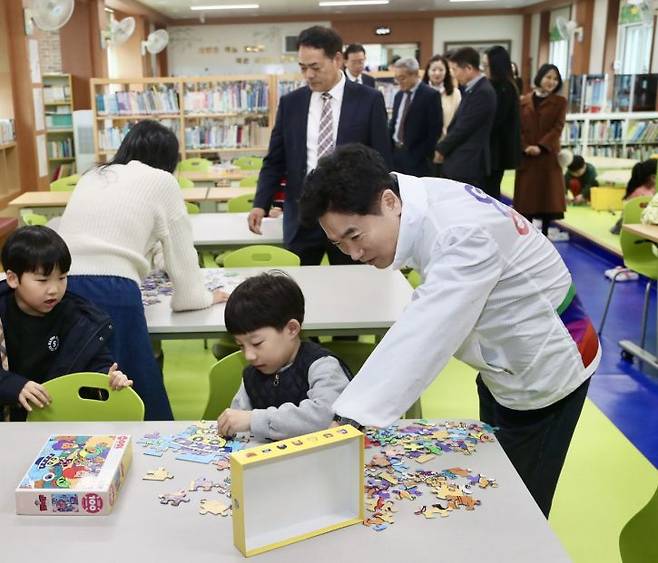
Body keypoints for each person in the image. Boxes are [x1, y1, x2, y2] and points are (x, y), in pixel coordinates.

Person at [299, 143, 600, 518]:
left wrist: (348, 421)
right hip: (505, 357)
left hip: (550, 365)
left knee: (522, 509)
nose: (352, 254)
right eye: (338, 244)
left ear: (389, 201)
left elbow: (425, 332)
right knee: (496, 475)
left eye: (355, 236)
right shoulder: (420, 198)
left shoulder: (460, 232)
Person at [57, 120, 227, 421]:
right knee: (136, 392)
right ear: (169, 159)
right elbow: (184, 270)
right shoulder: (162, 181)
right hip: (113, 290)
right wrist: (205, 297)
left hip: (58, 286)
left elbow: (139, 239)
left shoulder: (93, 176)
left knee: (80, 387)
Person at [248, 25, 392, 265]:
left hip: (351, 217)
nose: (309, 75)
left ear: (337, 59)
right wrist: (260, 204)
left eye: (315, 67)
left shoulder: (368, 100)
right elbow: (275, 160)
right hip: (302, 216)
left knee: (351, 286)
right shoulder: (291, 104)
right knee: (299, 287)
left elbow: (381, 160)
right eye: (303, 68)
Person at [0, 226, 133, 421]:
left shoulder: (78, 319)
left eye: (62, 278)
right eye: (42, 280)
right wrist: (13, 386)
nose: (54, 289)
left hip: (59, 422)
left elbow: (97, 364)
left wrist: (109, 377)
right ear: (12, 279)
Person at [216, 272, 352, 440]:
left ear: (291, 329)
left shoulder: (322, 365)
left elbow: (326, 417)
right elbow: (239, 425)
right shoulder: (251, 376)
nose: (249, 355)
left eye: (257, 343)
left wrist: (254, 419)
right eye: (241, 346)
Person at [513, 64, 567, 236]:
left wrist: (541, 146)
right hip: (527, 157)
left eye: (555, 79)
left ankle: (544, 238)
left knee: (546, 201)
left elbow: (557, 128)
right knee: (525, 203)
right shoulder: (523, 101)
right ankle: (526, 239)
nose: (551, 81)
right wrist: (525, 146)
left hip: (547, 157)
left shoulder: (560, 102)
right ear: (540, 77)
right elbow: (516, 127)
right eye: (548, 77)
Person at [435, 47, 496, 188]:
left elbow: (464, 127)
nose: (453, 74)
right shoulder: (473, 89)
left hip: (469, 163)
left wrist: (441, 148)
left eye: (455, 69)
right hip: (461, 161)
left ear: (468, 68)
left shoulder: (483, 92)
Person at [389, 57, 442, 177]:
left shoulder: (430, 95)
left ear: (415, 74)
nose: (399, 82)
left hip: (418, 159)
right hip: (396, 155)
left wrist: (420, 154)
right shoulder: (398, 96)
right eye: (396, 78)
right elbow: (394, 123)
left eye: (402, 78)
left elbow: (435, 131)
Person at [481, 45, 521, 200]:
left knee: (490, 191)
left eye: (486, 66)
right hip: (494, 149)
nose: (484, 69)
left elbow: (496, 120)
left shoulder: (504, 88)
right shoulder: (499, 85)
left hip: (497, 151)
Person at [611, 159, 657, 234]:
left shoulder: (651, 188)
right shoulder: (642, 193)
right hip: (629, 226)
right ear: (653, 177)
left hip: (637, 223)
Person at [422, 54, 461, 139]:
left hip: (448, 142)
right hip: (424, 142)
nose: (437, 73)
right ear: (427, 71)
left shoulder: (455, 94)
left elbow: (459, 121)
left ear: (446, 71)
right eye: (433, 70)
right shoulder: (420, 93)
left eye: (441, 70)